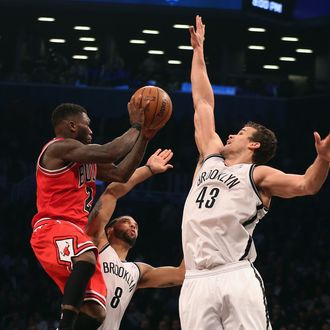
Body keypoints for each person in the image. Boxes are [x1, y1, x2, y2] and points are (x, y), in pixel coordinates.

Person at [179, 15, 330, 330]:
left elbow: (306, 185)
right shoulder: (210, 157)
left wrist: (324, 160)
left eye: (240, 133)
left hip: (235, 274)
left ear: (254, 145)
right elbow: (203, 103)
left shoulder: (258, 175)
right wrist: (198, 53)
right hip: (195, 278)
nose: (231, 135)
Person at [30, 97, 153, 330]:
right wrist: (135, 126)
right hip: (52, 225)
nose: (92, 129)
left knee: (96, 312)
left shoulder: (85, 157)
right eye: (87, 124)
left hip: (77, 231)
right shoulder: (58, 147)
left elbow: (120, 174)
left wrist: (144, 138)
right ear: (72, 126)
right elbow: (110, 152)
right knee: (86, 256)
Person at [85, 148, 185, 330]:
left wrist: (198, 225)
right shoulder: (97, 244)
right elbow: (111, 192)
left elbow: (181, 274)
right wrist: (148, 169)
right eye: (126, 221)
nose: (133, 225)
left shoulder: (137, 271)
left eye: (136, 225)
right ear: (109, 230)